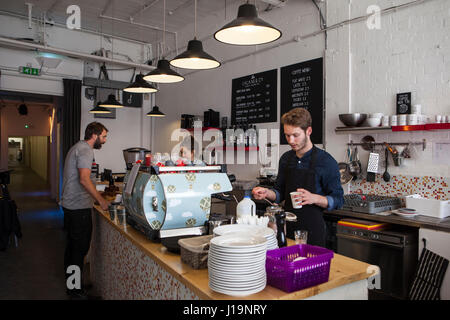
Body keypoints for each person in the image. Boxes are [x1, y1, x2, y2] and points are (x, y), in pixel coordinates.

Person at [252, 108, 344, 247]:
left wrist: (314, 198)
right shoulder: (286, 159)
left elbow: (338, 200)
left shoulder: (326, 161)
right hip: (287, 229)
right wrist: (267, 193)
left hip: (313, 231)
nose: (291, 140)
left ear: (309, 131)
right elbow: (280, 193)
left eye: (296, 135)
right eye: (287, 135)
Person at [60, 121, 110, 299]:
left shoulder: (78, 147)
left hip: (71, 206)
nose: (104, 140)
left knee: (73, 248)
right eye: (103, 137)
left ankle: (73, 283)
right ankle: (75, 291)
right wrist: (100, 200)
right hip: (78, 208)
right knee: (78, 250)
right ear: (95, 135)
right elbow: (84, 179)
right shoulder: (86, 150)